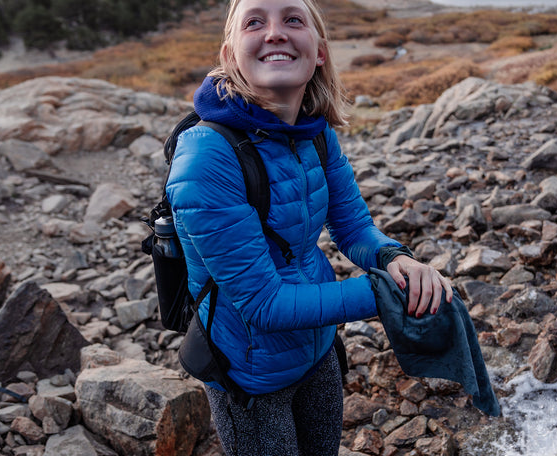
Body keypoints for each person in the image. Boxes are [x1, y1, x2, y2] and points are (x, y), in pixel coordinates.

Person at [165, 0, 452, 454]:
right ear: (228, 56)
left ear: (318, 51)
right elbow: (263, 305)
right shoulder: (207, 157)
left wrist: (396, 260)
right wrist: (383, 293)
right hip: (250, 371)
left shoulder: (315, 133)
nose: (275, 33)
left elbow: (354, 228)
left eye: (292, 19)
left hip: (318, 345)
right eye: (255, 22)